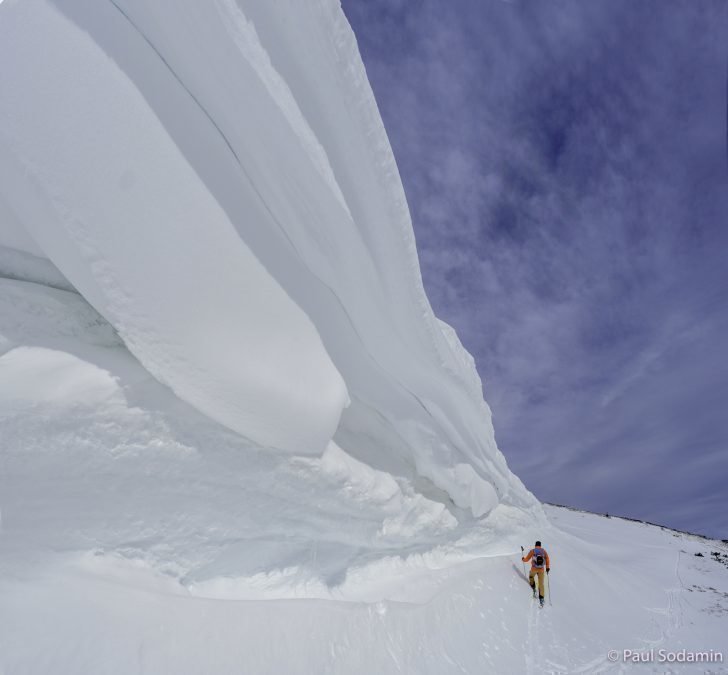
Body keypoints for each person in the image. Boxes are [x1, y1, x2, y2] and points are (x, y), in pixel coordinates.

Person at [522, 540, 550, 606]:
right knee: (541, 584)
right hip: (541, 570)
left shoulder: (533, 551)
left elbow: (527, 559)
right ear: (540, 545)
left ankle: (533, 586)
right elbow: (547, 559)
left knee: (531, 576)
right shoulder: (543, 551)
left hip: (534, 569)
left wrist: (523, 559)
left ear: (535, 545)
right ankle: (542, 598)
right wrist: (547, 567)